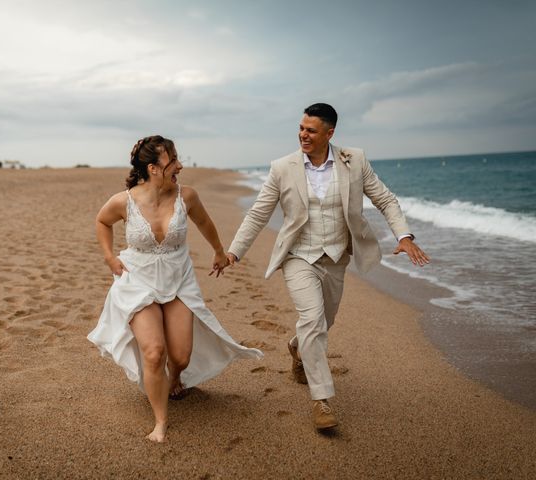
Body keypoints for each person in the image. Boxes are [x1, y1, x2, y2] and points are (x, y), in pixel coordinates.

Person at [226, 103, 430, 431]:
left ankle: (296, 347)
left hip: (336, 258)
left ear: (329, 134)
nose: (303, 135)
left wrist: (403, 236)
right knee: (313, 320)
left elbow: (386, 199)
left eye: (311, 130)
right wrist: (234, 252)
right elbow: (258, 213)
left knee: (324, 321)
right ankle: (321, 400)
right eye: (301, 128)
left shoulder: (355, 160)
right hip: (298, 257)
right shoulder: (282, 167)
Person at [87, 135, 262, 443]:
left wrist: (219, 251)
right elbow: (103, 222)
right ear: (153, 168)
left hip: (178, 279)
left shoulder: (187, 196)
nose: (180, 165)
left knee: (180, 355)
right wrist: (109, 257)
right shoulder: (124, 201)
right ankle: (160, 421)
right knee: (154, 352)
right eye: (173, 160)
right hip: (137, 281)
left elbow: (205, 222)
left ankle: (176, 377)